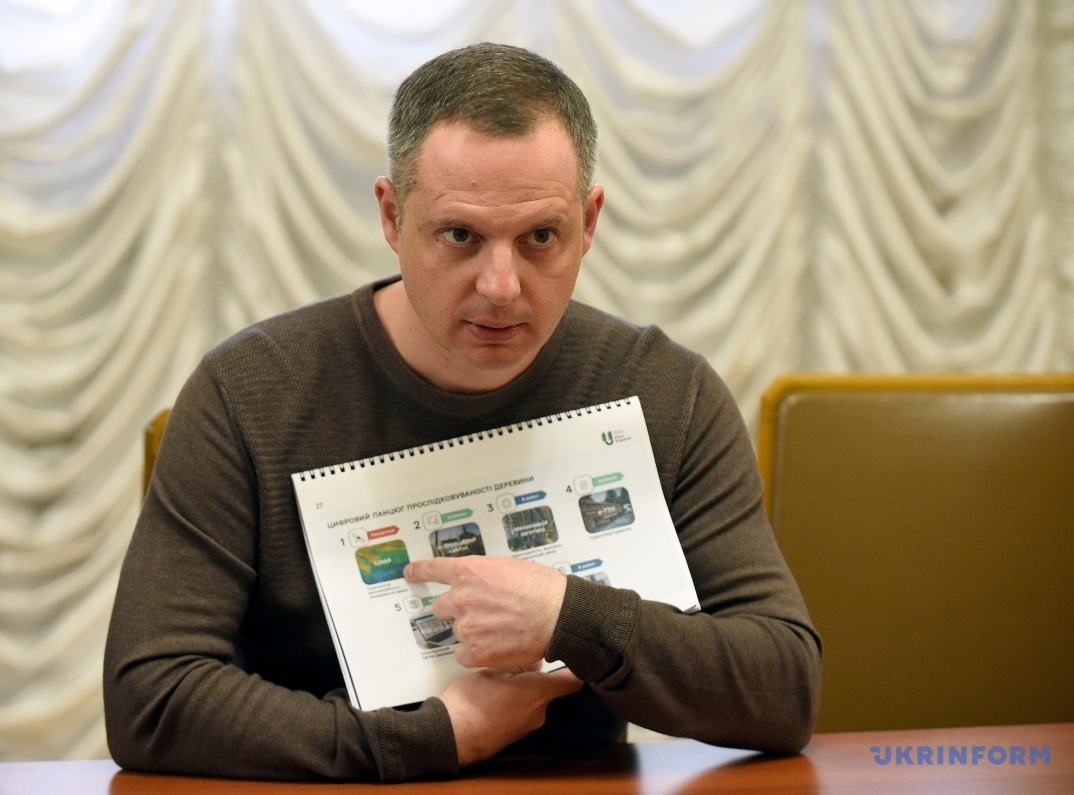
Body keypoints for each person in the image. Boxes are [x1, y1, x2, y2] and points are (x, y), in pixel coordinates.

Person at [104, 42, 822, 783]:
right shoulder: (250, 392)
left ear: (589, 221)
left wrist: (570, 616)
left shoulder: (665, 389)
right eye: (459, 236)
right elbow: (150, 699)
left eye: (541, 237)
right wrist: (434, 737)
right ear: (392, 215)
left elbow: (784, 690)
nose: (502, 286)